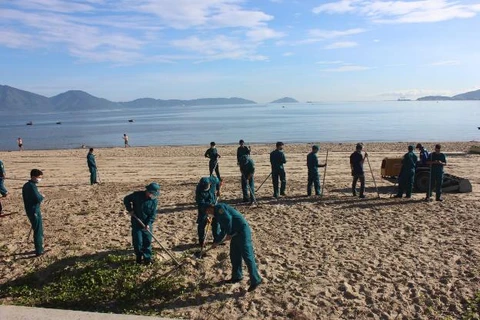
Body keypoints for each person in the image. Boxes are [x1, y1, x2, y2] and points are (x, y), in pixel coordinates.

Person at [206, 203, 262, 292]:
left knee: (247, 256)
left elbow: (228, 219)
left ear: (210, 208)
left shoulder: (220, 209)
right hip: (234, 234)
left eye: (207, 211)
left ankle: (256, 279)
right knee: (234, 255)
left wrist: (229, 233)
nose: (208, 214)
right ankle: (237, 276)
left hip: (241, 231)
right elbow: (223, 229)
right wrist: (216, 242)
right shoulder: (217, 214)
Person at [123, 183, 160, 264]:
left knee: (147, 241)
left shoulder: (154, 201)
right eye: (151, 193)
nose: (152, 195)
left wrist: (148, 223)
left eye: (154, 194)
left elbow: (152, 215)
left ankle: (147, 259)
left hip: (147, 223)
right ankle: (139, 258)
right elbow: (126, 199)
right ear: (147, 191)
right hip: (136, 222)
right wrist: (130, 209)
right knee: (138, 241)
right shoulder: (137, 195)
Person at [22, 169, 45, 256]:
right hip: (34, 210)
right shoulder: (31, 186)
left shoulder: (26, 185)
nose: (40, 179)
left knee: (37, 229)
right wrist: (42, 196)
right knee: (38, 230)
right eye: (39, 177)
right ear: (33, 177)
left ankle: (39, 248)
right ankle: (39, 250)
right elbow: (38, 198)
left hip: (29, 209)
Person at [195, 176, 222, 246]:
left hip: (214, 204)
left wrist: (219, 190)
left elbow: (218, 182)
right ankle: (202, 240)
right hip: (204, 208)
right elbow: (201, 205)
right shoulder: (199, 191)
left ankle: (217, 239)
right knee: (202, 223)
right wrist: (207, 215)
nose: (205, 190)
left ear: (210, 184)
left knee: (216, 222)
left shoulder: (213, 180)